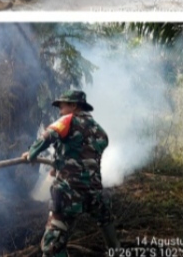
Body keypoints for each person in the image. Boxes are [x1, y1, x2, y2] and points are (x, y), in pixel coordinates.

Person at [22, 90, 119, 256]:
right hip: (94, 193)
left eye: (63, 106)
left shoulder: (68, 119)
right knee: (108, 228)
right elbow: (84, 152)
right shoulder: (99, 130)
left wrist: (31, 154)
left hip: (69, 193)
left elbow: (48, 135)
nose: (60, 110)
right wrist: (60, 163)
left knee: (51, 247)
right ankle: (116, 250)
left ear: (74, 106)